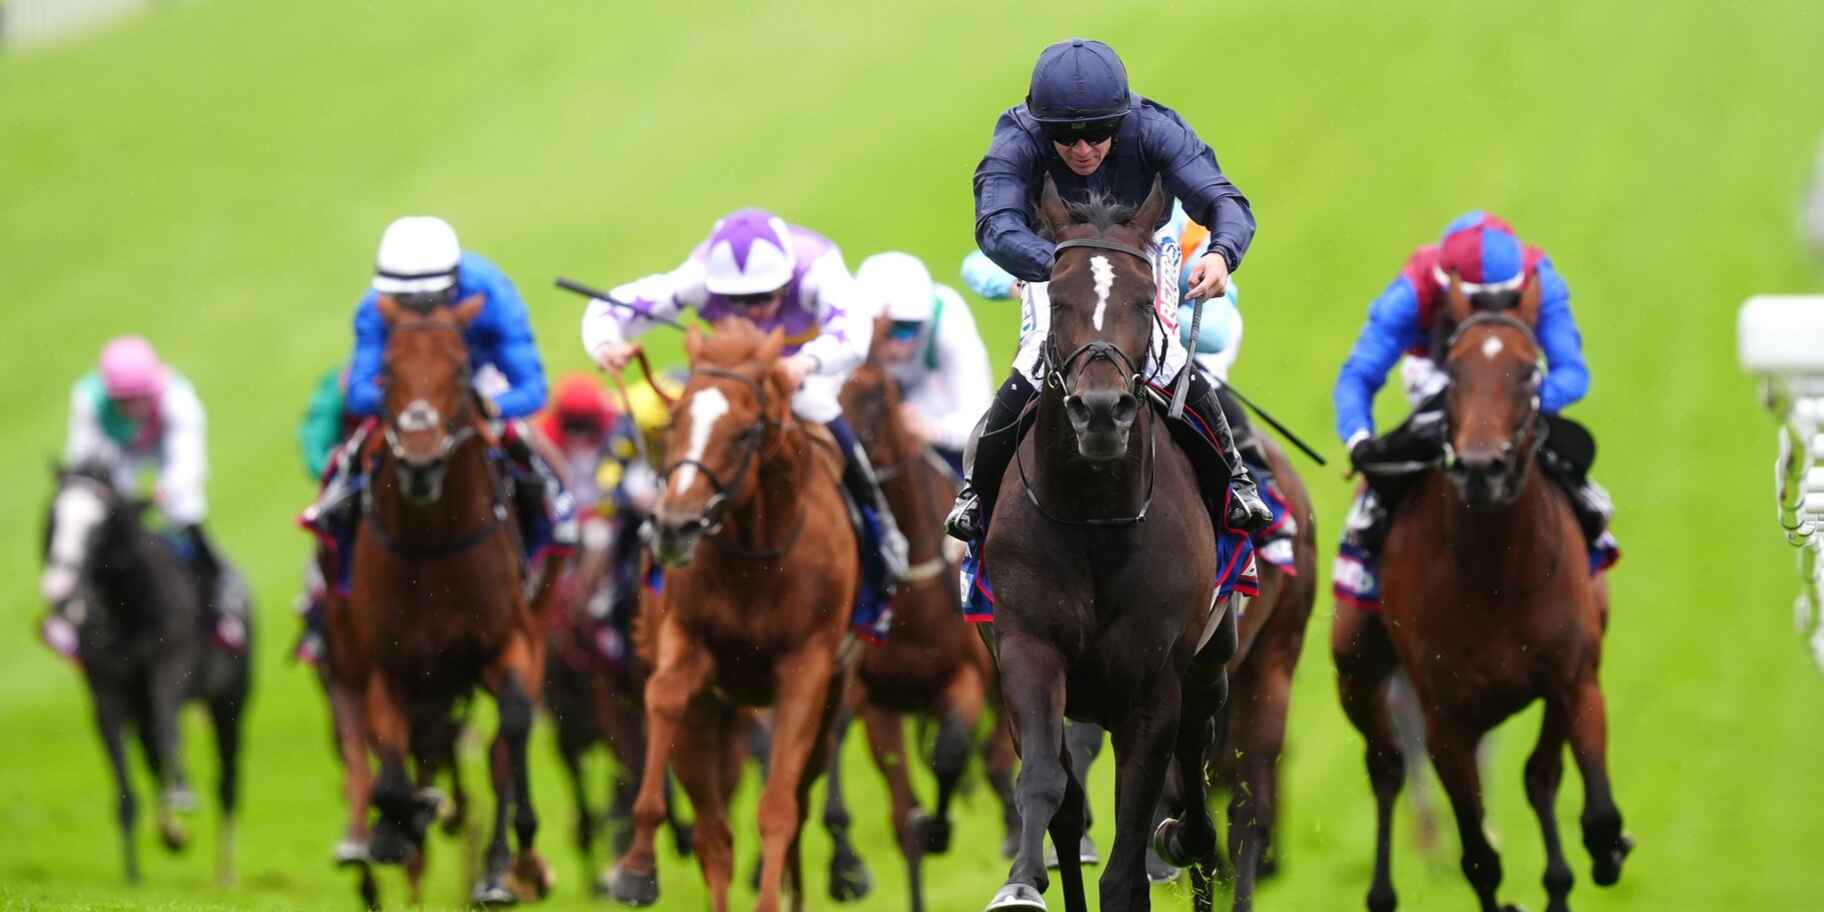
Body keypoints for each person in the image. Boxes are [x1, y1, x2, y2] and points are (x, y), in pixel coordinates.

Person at [948, 37, 1271, 544]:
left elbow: (1224, 201)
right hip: (1052, 256)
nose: (1083, 150)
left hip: (1141, 251)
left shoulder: (1155, 128)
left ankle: (1236, 480)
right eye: (1066, 139)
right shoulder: (1016, 136)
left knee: (1164, 356)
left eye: (1098, 136)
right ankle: (975, 491)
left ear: (1120, 122)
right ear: (1040, 127)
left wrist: (1220, 252)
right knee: (1036, 357)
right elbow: (994, 224)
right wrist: (1058, 266)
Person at [581, 208, 910, 595]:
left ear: (787, 281)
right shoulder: (698, 277)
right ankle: (669, 527)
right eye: (736, 301)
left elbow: (854, 334)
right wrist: (606, 345)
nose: (751, 310)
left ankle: (879, 527)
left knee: (816, 405)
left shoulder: (819, 269)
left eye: (762, 297)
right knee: (701, 419)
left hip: (809, 363)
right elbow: (609, 306)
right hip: (739, 370)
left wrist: (805, 363)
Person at [1331, 211, 1617, 611]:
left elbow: (1572, 371)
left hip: (1515, 384)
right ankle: (1369, 536)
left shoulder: (1541, 279)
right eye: (1477, 303)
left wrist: (1521, 406)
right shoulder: (1412, 290)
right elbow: (1359, 374)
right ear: (1448, 286)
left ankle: (1588, 523)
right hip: (1437, 375)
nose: (1490, 314)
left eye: (1507, 303)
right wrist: (1359, 437)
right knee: (1401, 457)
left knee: (1555, 456)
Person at [304, 215, 573, 563]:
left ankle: (556, 531)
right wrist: (409, 407)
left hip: (476, 384)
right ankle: (328, 558)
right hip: (404, 392)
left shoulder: (491, 294)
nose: (416, 310)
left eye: (427, 300)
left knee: (540, 464)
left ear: (453, 284)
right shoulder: (373, 307)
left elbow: (533, 389)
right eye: (404, 300)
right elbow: (358, 392)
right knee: (344, 464)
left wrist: (484, 407)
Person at [61, 335, 247, 652]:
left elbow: (189, 463)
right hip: (117, 452)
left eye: (140, 398)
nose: (133, 408)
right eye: (123, 401)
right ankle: (69, 614)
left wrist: (168, 490)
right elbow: (83, 464)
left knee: (185, 511)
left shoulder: (179, 400)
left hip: (163, 447)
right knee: (87, 520)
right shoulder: (87, 401)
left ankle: (221, 604)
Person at [853, 251, 993, 476]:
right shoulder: (847, 329)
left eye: (906, 330)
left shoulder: (950, 324)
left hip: (932, 413)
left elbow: (979, 422)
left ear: (926, 322)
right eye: (882, 331)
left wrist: (932, 431)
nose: (894, 347)